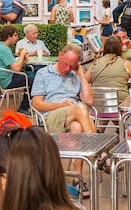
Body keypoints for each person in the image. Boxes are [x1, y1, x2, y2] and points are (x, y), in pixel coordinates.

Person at [30, 45, 97, 188]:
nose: (67, 69)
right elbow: (36, 104)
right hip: (51, 117)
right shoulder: (43, 73)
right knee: (80, 107)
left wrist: (80, 75)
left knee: (77, 126)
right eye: (65, 64)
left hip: (72, 117)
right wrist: (62, 106)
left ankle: (77, 178)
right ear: (60, 55)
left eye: (72, 66)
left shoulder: (74, 75)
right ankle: (98, 150)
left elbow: (90, 100)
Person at [85, 36, 131, 103]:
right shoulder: (125, 63)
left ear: (105, 48)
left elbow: (85, 80)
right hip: (120, 104)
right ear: (120, 48)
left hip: (98, 103)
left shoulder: (96, 62)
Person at [0, 26, 32, 113]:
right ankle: (24, 108)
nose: (17, 37)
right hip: (7, 81)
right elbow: (17, 68)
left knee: (30, 75)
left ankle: (27, 106)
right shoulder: (4, 49)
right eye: (15, 35)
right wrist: (22, 54)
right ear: (9, 36)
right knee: (34, 79)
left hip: (0, 79)